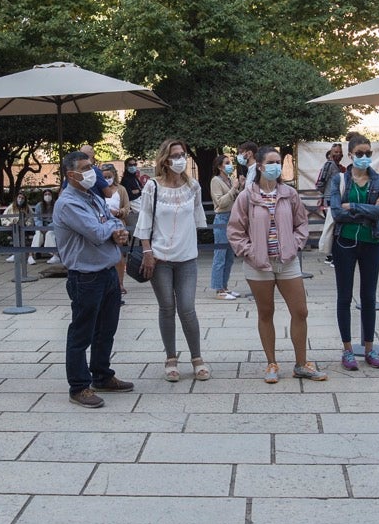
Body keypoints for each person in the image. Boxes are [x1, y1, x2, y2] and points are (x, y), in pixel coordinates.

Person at [230, 146, 326, 383]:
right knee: (266, 312)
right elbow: (235, 231)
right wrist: (250, 252)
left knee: (300, 311)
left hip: (287, 262)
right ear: (260, 166)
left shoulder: (289, 194)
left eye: (278, 162)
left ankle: (301, 364)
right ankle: (271, 363)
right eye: (271, 162)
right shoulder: (247, 196)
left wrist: (294, 245)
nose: (275, 166)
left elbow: (301, 224)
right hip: (258, 264)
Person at [54, 150, 135, 407]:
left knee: (106, 329)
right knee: (82, 332)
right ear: (71, 174)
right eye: (86, 168)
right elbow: (97, 231)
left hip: (108, 271)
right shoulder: (68, 202)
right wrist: (113, 229)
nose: (93, 172)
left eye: (92, 166)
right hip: (86, 276)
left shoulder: (93, 196)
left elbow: (112, 222)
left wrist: (119, 231)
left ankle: (102, 374)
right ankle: (79, 386)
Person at [135, 139, 211, 382]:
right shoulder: (152, 187)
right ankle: (171, 358)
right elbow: (144, 219)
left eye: (183, 154)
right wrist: (147, 251)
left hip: (187, 258)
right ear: (165, 160)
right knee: (167, 307)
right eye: (176, 155)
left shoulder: (193, 187)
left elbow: (197, 218)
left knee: (187, 308)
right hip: (159, 259)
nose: (181, 159)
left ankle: (197, 357)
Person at [326, 133, 379, 371]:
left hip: (371, 242)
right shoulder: (340, 180)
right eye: (360, 153)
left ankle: (369, 347)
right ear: (351, 155)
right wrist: (370, 209)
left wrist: (352, 206)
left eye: (368, 153)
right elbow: (336, 212)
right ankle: (347, 350)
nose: (365, 157)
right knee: (344, 297)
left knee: (369, 297)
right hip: (344, 243)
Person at [210, 152, 241, 299]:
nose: (230, 166)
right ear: (219, 166)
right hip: (222, 218)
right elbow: (220, 203)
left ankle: (225, 286)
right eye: (227, 163)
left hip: (232, 218)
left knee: (229, 256)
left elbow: (235, 198)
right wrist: (234, 189)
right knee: (220, 255)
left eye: (230, 163)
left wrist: (239, 186)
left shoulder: (229, 180)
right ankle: (218, 289)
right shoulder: (215, 181)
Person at [100, 163, 132, 288]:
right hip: (102, 226)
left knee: (118, 255)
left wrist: (118, 212)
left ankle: (120, 283)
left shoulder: (121, 189)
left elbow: (127, 207)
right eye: (105, 177)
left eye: (109, 176)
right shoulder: (98, 190)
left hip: (118, 225)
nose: (107, 179)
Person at [313, 143, 345, 257]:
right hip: (329, 201)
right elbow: (320, 183)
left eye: (340, 152)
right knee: (330, 227)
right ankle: (329, 255)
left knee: (335, 227)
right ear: (330, 153)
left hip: (336, 200)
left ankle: (333, 254)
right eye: (336, 152)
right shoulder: (329, 165)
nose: (339, 154)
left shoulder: (339, 166)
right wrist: (324, 195)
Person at [2, 193, 33, 263]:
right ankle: (17, 253)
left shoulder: (28, 208)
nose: (20, 199)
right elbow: (4, 217)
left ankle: (18, 253)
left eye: (22, 198)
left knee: (22, 233)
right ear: (16, 198)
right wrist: (8, 223)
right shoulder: (11, 207)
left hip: (25, 228)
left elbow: (31, 218)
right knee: (16, 231)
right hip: (13, 227)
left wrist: (27, 224)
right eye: (19, 197)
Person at [30, 189, 59, 264]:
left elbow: (57, 219)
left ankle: (55, 255)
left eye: (49, 194)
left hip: (53, 226)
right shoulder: (39, 206)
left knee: (50, 234)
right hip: (41, 227)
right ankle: (31, 255)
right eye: (45, 194)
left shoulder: (56, 205)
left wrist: (48, 227)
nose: (47, 196)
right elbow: (37, 218)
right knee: (38, 234)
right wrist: (41, 227)